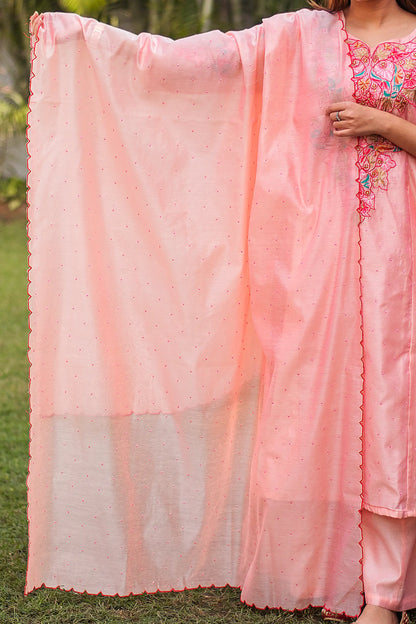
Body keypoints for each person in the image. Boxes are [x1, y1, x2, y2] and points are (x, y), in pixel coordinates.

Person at [26, 2, 416, 622]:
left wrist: (383, 123)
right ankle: (329, 570)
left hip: (401, 248)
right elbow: (208, 61)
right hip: (314, 257)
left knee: (393, 408)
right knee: (315, 405)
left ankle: (388, 592)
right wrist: (93, 41)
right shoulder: (299, 34)